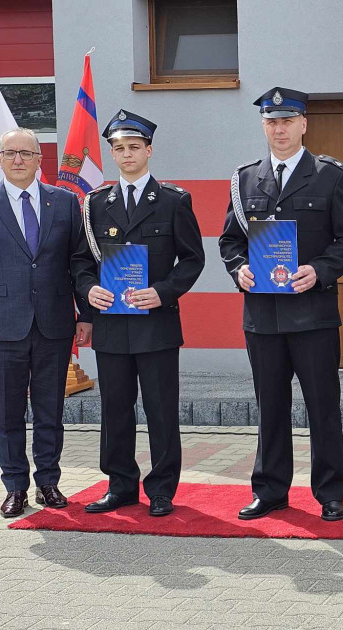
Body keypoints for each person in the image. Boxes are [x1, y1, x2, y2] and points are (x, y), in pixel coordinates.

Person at [220, 87, 343, 521]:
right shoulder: (245, 178)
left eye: (287, 121)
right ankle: (270, 490)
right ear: (263, 125)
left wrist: (320, 270)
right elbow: (231, 240)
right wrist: (239, 270)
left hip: (313, 314)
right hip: (262, 316)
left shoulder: (330, 176)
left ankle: (330, 493)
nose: (279, 129)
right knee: (270, 406)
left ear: (304, 124)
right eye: (271, 122)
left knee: (322, 405)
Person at [71, 110, 204, 517]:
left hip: (157, 325)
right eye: (118, 148)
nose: (126, 154)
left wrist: (161, 292)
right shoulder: (94, 204)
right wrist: (88, 289)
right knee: (114, 408)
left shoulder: (173, 200)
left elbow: (192, 260)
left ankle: (162, 489)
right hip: (112, 325)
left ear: (149, 150)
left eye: (133, 147)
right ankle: (120, 485)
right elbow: (80, 261)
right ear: (112, 154)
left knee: (161, 408)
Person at [0, 127, 92, 517]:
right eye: (10, 153)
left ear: (39, 160)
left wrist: (85, 315)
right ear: (0, 159)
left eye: (26, 153)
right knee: (9, 412)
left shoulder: (65, 203)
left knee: (50, 410)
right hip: (0, 327)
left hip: (54, 324)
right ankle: (14, 486)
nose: (18, 159)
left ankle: (48, 482)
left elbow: (79, 262)